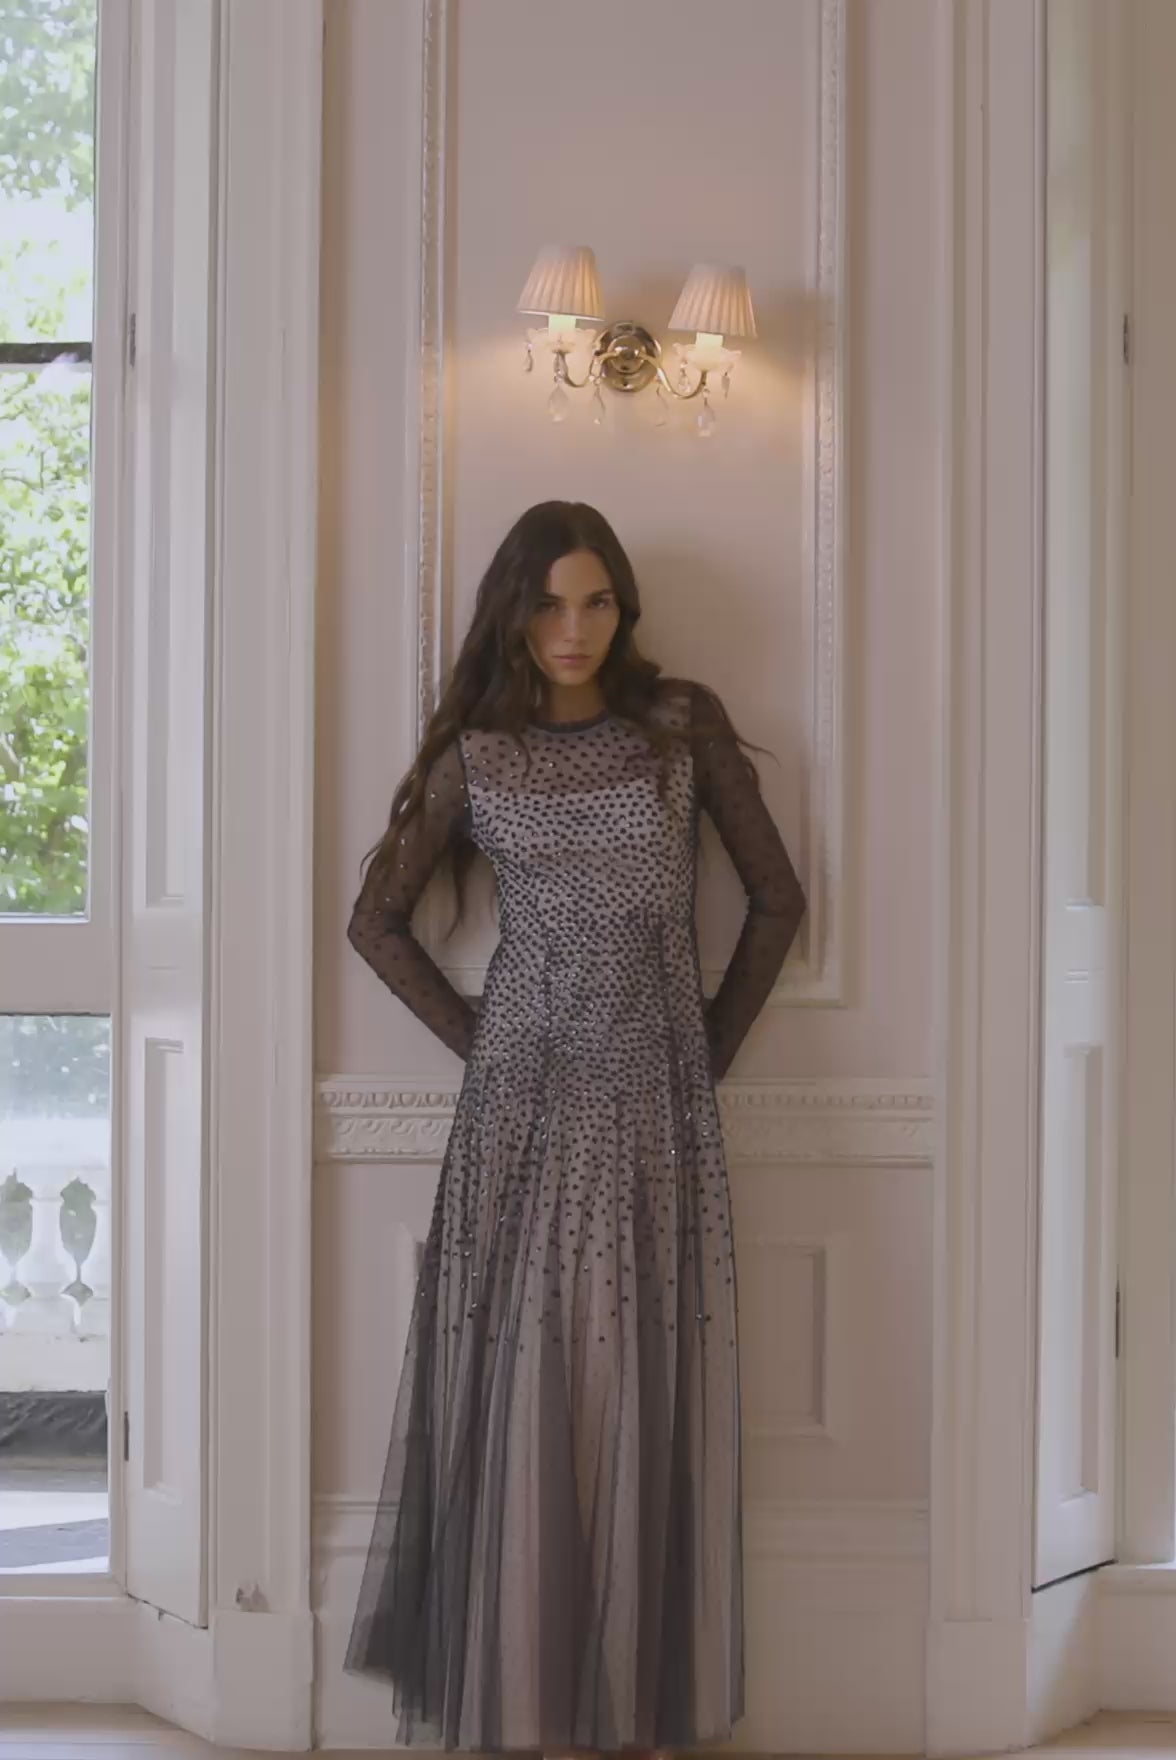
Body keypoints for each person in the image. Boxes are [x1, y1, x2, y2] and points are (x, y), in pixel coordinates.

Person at [342, 500, 807, 1756]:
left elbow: (778, 899)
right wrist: (488, 1043)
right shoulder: (480, 754)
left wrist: (703, 1051)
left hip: (656, 1115)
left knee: (631, 1388)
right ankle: (532, 1706)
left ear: (623, 607)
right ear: (513, 609)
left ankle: (630, 1708)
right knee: (533, 1394)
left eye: (597, 600)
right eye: (550, 602)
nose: (574, 627)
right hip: (525, 1118)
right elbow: (374, 923)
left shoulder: (680, 725)